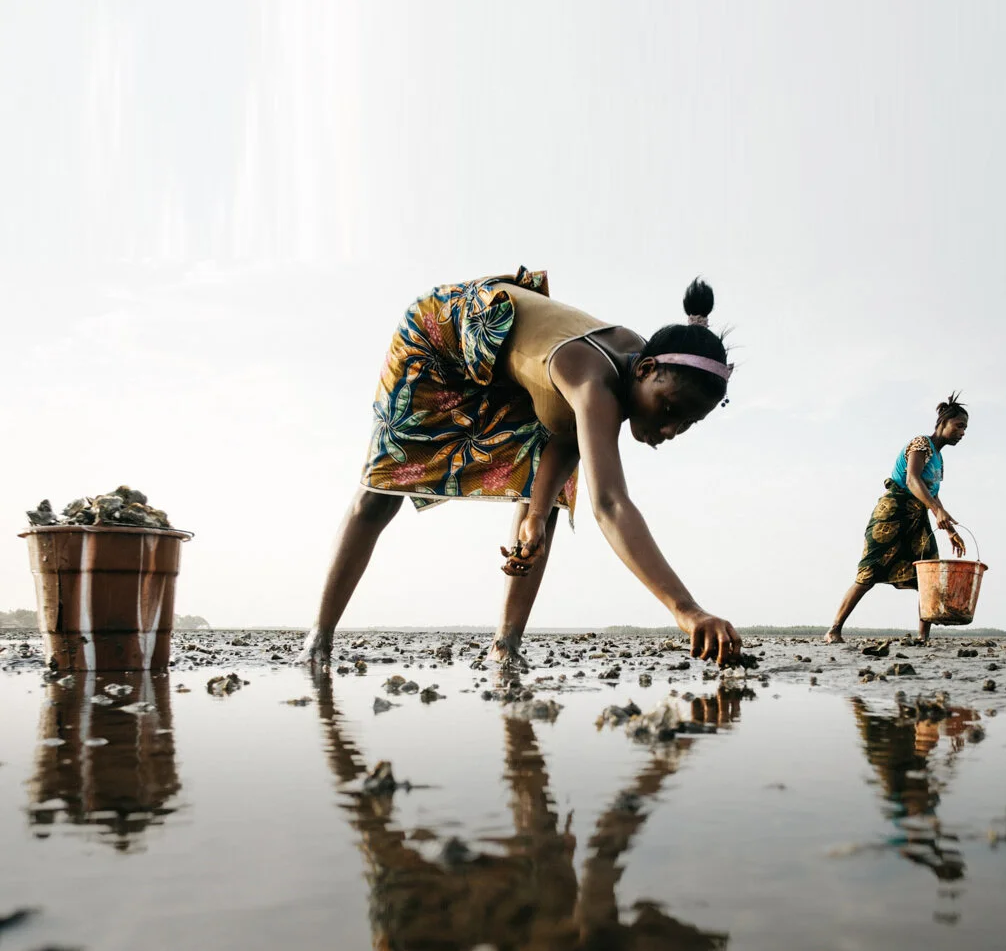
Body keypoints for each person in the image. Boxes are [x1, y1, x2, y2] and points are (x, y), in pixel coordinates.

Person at [299, 266, 741, 671]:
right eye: (668, 408)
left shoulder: (627, 377)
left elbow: (565, 433)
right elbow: (609, 504)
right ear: (645, 370)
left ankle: (505, 645)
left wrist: (533, 516)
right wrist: (687, 610)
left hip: (514, 374)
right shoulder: (595, 384)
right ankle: (318, 638)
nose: (670, 427)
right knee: (381, 491)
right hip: (445, 335)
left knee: (547, 506)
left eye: (686, 423)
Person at [824, 395, 969, 644]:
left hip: (917, 519)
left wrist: (949, 529)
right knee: (869, 572)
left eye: (965, 428)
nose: (962, 432)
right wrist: (937, 511)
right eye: (958, 426)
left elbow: (932, 493)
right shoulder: (921, 443)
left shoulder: (939, 459)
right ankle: (834, 630)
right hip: (893, 512)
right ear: (942, 423)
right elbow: (913, 480)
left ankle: (923, 638)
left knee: (928, 575)